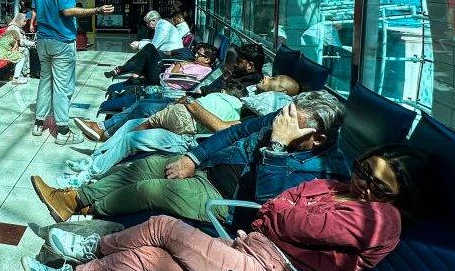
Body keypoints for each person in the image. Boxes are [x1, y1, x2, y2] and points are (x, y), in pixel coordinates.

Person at [23, 144, 427, 271]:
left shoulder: (380, 221)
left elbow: (295, 219)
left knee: (163, 226)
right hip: (254, 250)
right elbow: (280, 205)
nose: (363, 184)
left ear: (398, 196)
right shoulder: (339, 186)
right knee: (149, 255)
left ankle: (90, 250)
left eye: (378, 185)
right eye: (363, 170)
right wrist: (280, 215)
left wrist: (280, 215)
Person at [30, 91, 350, 223]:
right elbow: (232, 133)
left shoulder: (326, 172)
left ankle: (90, 209)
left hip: (229, 201)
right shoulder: (284, 118)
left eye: (292, 123)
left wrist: (277, 148)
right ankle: (73, 198)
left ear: (318, 137)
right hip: (210, 169)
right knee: (145, 166)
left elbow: (270, 204)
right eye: (284, 116)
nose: (281, 123)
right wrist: (195, 158)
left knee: (152, 189)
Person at [59, 75, 301, 188]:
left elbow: (221, 129)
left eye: (276, 80)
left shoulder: (260, 116)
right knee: (132, 124)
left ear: (280, 95)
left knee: (133, 137)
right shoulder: (249, 99)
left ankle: (89, 174)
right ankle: (93, 160)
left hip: (189, 139)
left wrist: (191, 105)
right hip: (185, 121)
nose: (268, 76)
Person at [32, 0, 114, 143]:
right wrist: (97, 10)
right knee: (62, 86)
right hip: (61, 42)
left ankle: (38, 123)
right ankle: (62, 132)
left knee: (45, 82)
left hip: (43, 41)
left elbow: (35, 13)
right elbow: (67, 11)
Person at [97, 43, 219, 115]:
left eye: (199, 54)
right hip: (164, 75)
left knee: (149, 49)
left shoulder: (203, 70)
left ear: (207, 60)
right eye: (196, 52)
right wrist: (178, 65)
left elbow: (174, 75)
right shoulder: (196, 64)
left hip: (164, 82)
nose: (196, 55)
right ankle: (130, 73)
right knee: (146, 54)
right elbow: (175, 68)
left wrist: (179, 65)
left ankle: (126, 72)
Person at [103, 8, 189, 81]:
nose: (148, 25)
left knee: (145, 52)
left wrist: (139, 45)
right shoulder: (163, 24)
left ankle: (121, 69)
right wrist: (140, 43)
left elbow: (153, 45)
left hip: (169, 56)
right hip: (166, 54)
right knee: (143, 53)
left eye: (148, 23)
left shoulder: (162, 26)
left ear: (154, 20)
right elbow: (155, 42)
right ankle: (122, 69)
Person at [200, 42, 266, 95]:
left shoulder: (249, 84)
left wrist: (204, 90)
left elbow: (226, 94)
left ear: (250, 65)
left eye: (239, 61)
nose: (235, 63)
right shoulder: (241, 74)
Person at [0, 13, 30, 84]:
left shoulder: (16, 27)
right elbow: (18, 43)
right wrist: (30, 43)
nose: (25, 23)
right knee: (22, 55)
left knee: (22, 51)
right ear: (20, 20)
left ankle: (24, 72)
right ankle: (17, 77)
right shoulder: (13, 28)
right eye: (24, 21)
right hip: (1, 52)